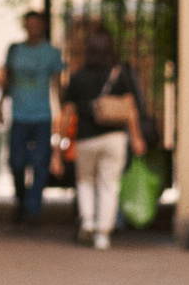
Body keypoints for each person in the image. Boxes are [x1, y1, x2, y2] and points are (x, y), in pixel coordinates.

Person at [63, 27, 147, 250]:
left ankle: (88, 220)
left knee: (85, 181)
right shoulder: (119, 74)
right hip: (114, 138)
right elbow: (130, 108)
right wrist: (137, 137)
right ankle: (103, 234)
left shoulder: (78, 77)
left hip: (86, 139)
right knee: (109, 184)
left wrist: (59, 142)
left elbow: (68, 113)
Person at [0, 12, 61, 227]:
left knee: (40, 162)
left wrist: (63, 113)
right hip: (19, 115)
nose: (32, 28)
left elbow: (58, 85)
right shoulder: (15, 51)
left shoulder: (52, 53)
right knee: (16, 161)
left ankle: (33, 207)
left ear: (43, 26)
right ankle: (21, 198)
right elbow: (7, 80)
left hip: (42, 115)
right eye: (28, 24)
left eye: (36, 24)